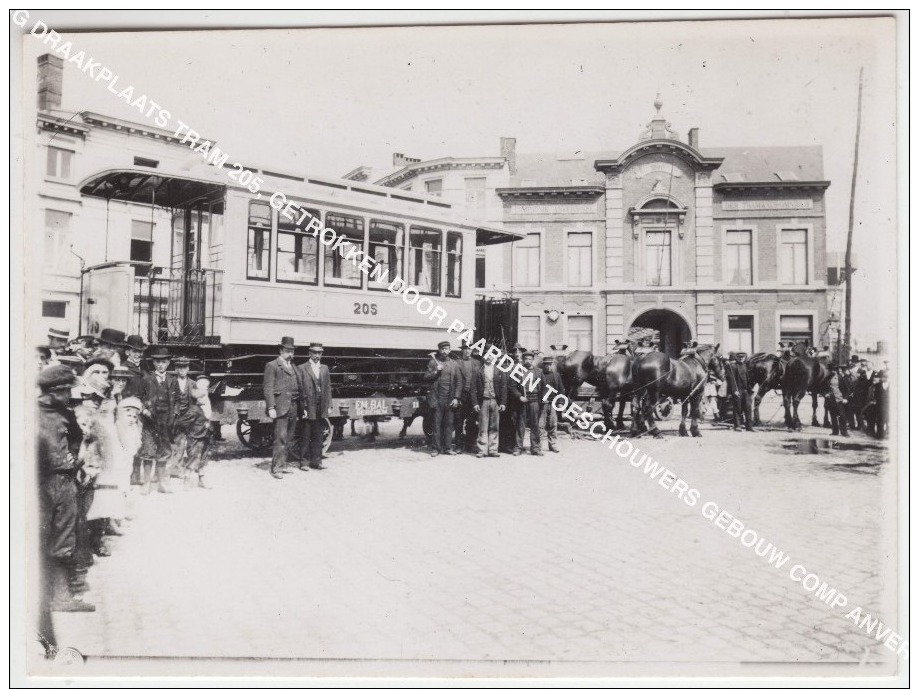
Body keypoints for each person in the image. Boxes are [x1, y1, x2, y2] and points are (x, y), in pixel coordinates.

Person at [37, 365, 95, 629]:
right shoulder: (26, 413)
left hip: (63, 482)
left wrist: (72, 455)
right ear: (54, 391)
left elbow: (77, 436)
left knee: (64, 537)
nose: (69, 394)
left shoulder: (65, 414)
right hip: (37, 483)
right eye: (65, 391)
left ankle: (61, 597)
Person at [137, 347, 176, 494]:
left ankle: (161, 483)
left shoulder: (172, 380)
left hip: (166, 421)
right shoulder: (147, 379)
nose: (160, 365)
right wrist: (144, 410)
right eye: (158, 362)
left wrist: (174, 415)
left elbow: (177, 400)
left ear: (168, 363)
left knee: (164, 450)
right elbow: (138, 397)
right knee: (148, 450)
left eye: (163, 362)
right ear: (153, 363)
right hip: (150, 421)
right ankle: (146, 483)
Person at [263, 337, 301, 479]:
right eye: (287, 351)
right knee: (280, 438)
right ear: (280, 350)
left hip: (293, 406)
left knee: (289, 438)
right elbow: (268, 388)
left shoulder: (293, 366)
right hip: (280, 407)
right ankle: (276, 468)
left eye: (292, 351)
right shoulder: (272, 365)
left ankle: (283, 465)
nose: (290, 354)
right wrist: (271, 406)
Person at [423, 341, 463, 457]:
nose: (444, 351)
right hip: (437, 399)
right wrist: (436, 371)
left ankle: (448, 448)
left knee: (449, 425)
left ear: (450, 350)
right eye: (442, 349)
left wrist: (456, 398)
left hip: (450, 400)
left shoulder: (454, 364)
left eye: (447, 349)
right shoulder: (433, 362)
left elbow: (459, 382)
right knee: (436, 425)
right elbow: (426, 377)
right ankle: (436, 448)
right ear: (439, 350)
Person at [296, 342, 332, 470]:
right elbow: (300, 390)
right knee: (305, 435)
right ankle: (304, 462)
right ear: (309, 353)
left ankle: (316, 461)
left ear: (321, 354)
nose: (317, 355)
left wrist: (329, 405)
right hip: (307, 407)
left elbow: (328, 388)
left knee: (318, 435)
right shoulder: (302, 368)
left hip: (320, 406)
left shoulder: (325, 368)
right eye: (314, 353)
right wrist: (303, 408)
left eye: (319, 353)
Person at [471, 353, 507, 458]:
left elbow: (503, 387)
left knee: (494, 426)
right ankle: (482, 450)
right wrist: (475, 403)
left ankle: (493, 449)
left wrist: (503, 403)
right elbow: (473, 388)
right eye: (486, 355)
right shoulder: (478, 370)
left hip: (495, 401)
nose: (489, 357)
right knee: (483, 426)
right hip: (483, 401)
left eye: (491, 355)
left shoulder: (499, 370)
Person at [510, 350, 545, 456]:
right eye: (526, 359)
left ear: (533, 360)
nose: (528, 361)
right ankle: (518, 448)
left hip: (535, 402)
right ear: (523, 360)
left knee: (535, 425)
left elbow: (543, 387)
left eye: (530, 359)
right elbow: (512, 387)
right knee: (520, 425)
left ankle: (535, 448)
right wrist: (519, 396)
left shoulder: (538, 371)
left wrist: (542, 400)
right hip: (522, 403)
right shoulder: (518, 371)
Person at [499, 343, 526, 453]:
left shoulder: (526, 367)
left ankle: (519, 445)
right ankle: (510, 445)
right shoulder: (509, 367)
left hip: (525, 400)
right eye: (515, 352)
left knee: (522, 423)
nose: (517, 354)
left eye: (519, 352)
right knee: (512, 422)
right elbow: (509, 385)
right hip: (513, 400)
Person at [453, 343, 479, 453]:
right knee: (459, 421)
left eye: (470, 349)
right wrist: (456, 397)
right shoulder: (457, 363)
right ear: (462, 350)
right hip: (461, 396)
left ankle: (471, 444)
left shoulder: (477, 363)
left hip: (473, 397)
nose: (468, 351)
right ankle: (459, 445)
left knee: (472, 421)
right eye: (465, 349)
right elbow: (454, 381)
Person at [539, 357, 563, 453]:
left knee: (553, 424)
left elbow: (561, 390)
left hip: (553, 403)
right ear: (543, 365)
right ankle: (538, 446)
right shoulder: (539, 375)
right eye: (546, 364)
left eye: (549, 364)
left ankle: (552, 445)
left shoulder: (556, 376)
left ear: (552, 365)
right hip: (542, 404)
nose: (548, 366)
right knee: (540, 425)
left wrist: (560, 402)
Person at [723, 352, 753, 432]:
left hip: (746, 391)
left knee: (748, 409)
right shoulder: (733, 367)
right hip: (737, 390)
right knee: (737, 409)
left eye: (742, 357)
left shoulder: (745, 366)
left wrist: (750, 390)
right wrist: (734, 391)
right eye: (739, 357)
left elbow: (748, 379)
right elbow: (732, 381)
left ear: (744, 358)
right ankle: (737, 426)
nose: (741, 359)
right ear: (737, 358)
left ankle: (749, 427)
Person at [825, 363, 852, 437]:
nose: (832, 371)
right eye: (831, 370)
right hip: (831, 400)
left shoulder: (841, 378)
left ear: (836, 370)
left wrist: (845, 398)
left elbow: (847, 390)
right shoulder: (827, 378)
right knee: (833, 416)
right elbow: (823, 388)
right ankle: (835, 431)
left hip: (840, 399)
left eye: (833, 370)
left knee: (842, 416)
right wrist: (825, 393)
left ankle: (844, 432)